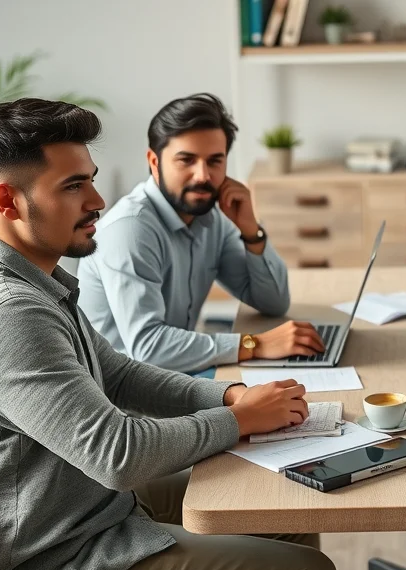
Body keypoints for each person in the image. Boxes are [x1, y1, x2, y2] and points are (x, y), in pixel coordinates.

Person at [0, 98, 335, 570]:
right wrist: (237, 419)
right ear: (6, 201)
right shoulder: (5, 315)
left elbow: (118, 375)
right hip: (59, 551)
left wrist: (228, 393)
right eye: (74, 186)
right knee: (307, 569)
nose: (97, 200)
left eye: (91, 179)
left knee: (285, 497)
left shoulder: (34, 280)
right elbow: (119, 455)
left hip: (83, 505)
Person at [77, 93, 324, 375]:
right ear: (154, 162)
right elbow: (148, 348)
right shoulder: (130, 229)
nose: (203, 176)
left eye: (215, 161)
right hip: (127, 401)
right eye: (187, 160)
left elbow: (273, 303)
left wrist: (250, 229)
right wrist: (256, 344)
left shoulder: (211, 218)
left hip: (177, 375)